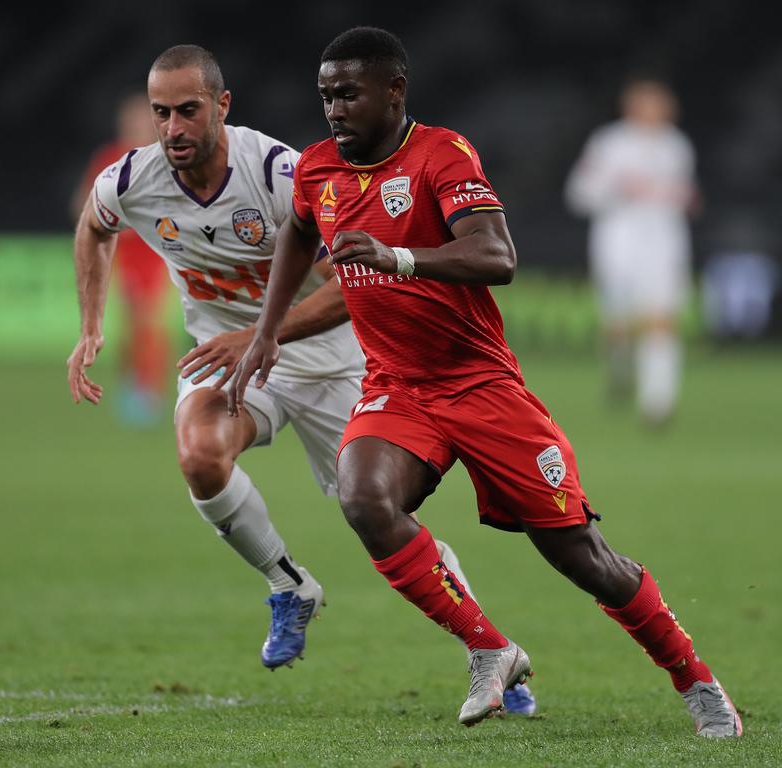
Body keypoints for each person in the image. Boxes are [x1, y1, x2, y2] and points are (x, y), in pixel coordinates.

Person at [231, 27, 740, 737]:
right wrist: (265, 331)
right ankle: (489, 647)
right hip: (399, 388)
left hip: (481, 386)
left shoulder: (442, 153)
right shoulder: (318, 168)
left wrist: (396, 258)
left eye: (348, 94)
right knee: (365, 498)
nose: (335, 110)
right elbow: (296, 231)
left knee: (582, 559)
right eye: (326, 96)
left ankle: (695, 679)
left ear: (394, 90)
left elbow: (498, 256)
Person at [66, 43, 535, 713]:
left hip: (335, 361)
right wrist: (91, 326)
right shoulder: (132, 179)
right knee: (200, 454)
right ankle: (289, 586)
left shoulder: (281, 173)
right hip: (231, 361)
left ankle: (489, 652)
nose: (172, 128)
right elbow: (93, 226)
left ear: (222, 107)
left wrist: (261, 334)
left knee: (384, 517)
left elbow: (355, 286)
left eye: (188, 111)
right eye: (161, 113)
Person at [564, 77, 699, 427]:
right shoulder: (610, 143)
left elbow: (684, 195)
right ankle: (620, 371)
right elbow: (579, 193)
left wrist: (686, 200)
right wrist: (617, 189)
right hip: (618, 242)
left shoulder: (677, 146)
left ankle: (658, 403)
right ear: (632, 107)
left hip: (665, 243)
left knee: (661, 320)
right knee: (618, 324)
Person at [71, 92, 171, 427]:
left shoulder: (165, 158)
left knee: (148, 321)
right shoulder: (110, 157)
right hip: (120, 255)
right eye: (132, 119)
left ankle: (148, 392)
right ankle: (134, 386)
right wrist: (105, 224)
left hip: (158, 253)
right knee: (130, 326)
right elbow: (82, 205)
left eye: (144, 119)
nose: (138, 125)